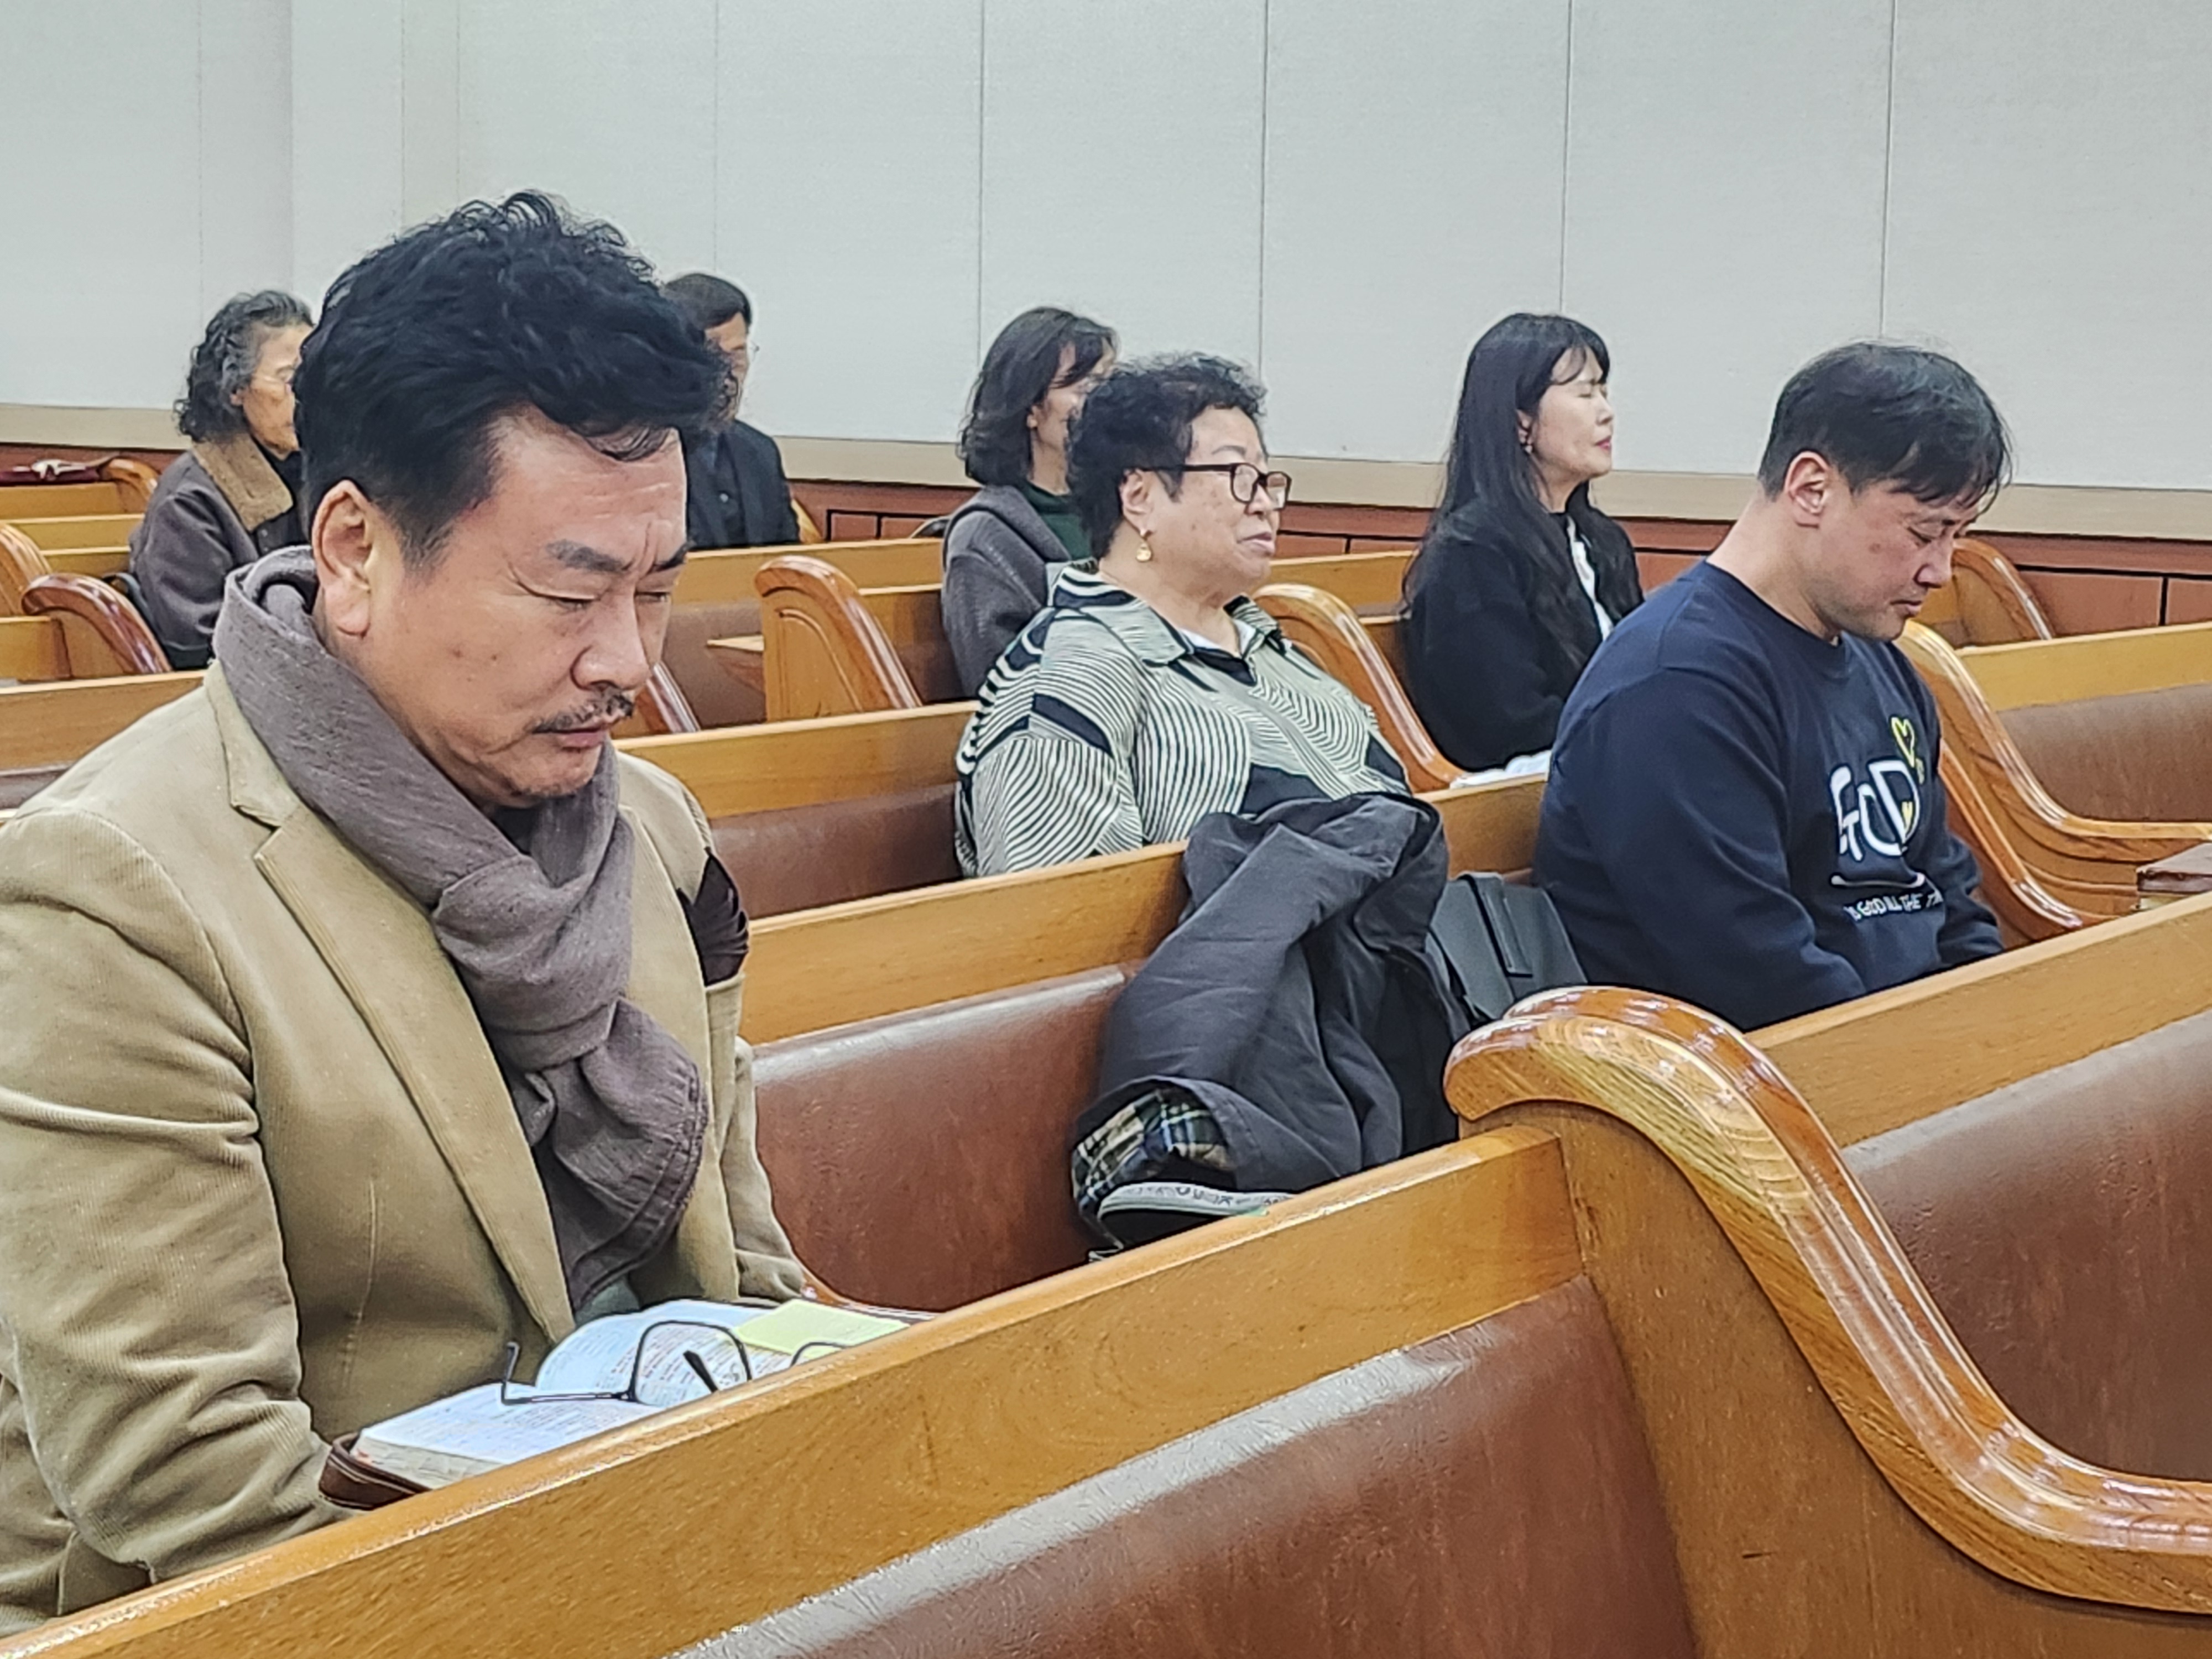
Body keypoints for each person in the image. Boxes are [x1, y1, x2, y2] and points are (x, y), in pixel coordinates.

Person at [0, 194, 807, 1629]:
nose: (630, 663)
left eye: (658, 592)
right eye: (569, 593)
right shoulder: (114, 892)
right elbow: (196, 1488)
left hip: (651, 1544)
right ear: (357, 551)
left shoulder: (650, 831)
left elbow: (744, 1282)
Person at [1534, 342, 2009, 1031]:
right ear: (1811, 489)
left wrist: (1998, 1032)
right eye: (1924, 533)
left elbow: (1950, 901)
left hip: (1901, 1050)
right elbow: (1759, 977)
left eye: (1956, 536)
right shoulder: (1675, 686)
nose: (1939, 570)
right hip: (1754, 1074)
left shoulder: (1879, 660)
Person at [956, 354, 1408, 878]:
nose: (1265, 504)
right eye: (1237, 475)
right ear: (1140, 497)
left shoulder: (1271, 648)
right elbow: (1055, 914)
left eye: (1267, 479)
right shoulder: (1067, 681)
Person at [1401, 313, 1643, 773]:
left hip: (1606, 766)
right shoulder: (1472, 554)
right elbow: (1510, 724)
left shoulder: (1603, 540)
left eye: (1605, 392)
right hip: (1527, 787)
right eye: (1585, 393)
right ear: (1520, 421)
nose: (1606, 412)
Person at [128, 290, 315, 667]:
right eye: (290, 379)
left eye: (315, 377)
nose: (308, 396)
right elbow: (199, 647)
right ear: (236, 389)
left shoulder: (316, 471)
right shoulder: (188, 501)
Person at [941, 306, 1117, 692]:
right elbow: (999, 688)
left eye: (1109, 385)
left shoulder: (1125, 510)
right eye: (1086, 388)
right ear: (1031, 409)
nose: (1106, 404)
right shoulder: (985, 538)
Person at [662, 272, 801, 550]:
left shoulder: (759, 452)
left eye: (737, 355)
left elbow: (785, 558)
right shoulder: (646, 455)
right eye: (714, 357)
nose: (728, 376)